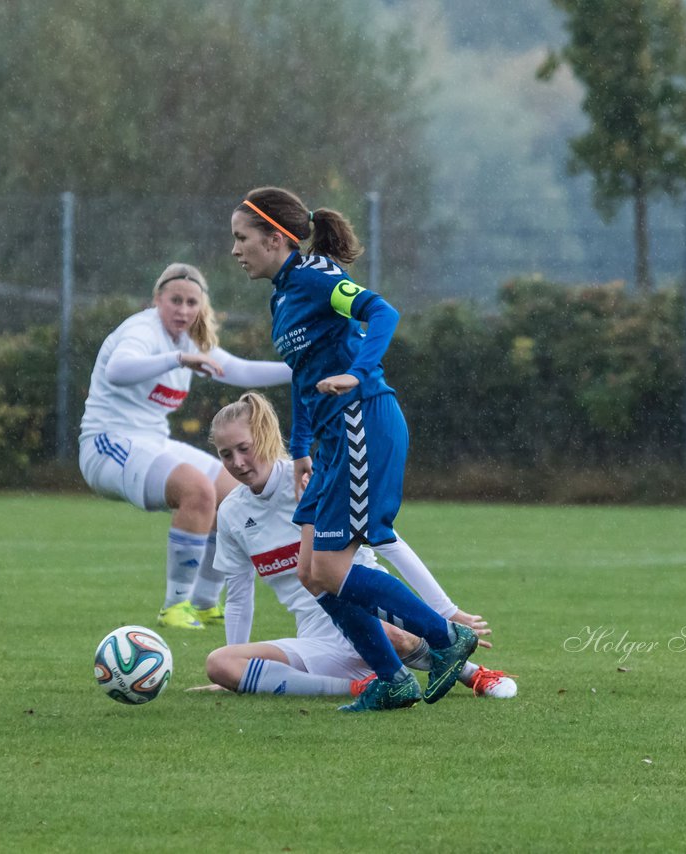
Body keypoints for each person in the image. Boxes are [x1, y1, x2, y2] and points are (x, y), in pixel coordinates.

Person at [230, 186, 480, 712]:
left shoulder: (316, 277)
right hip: (328, 440)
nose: (235, 250)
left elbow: (381, 311)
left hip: (362, 424)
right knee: (310, 571)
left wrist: (357, 373)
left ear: (274, 239)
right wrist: (299, 448)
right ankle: (392, 680)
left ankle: (443, 637)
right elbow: (303, 378)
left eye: (241, 238)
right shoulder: (282, 297)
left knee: (333, 570)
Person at [193, 392, 517, 700]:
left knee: (392, 634)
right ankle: (359, 687)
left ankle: (473, 674)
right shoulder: (232, 512)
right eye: (226, 454)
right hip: (317, 640)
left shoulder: (317, 482)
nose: (237, 462)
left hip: (376, 621)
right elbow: (238, 593)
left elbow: (388, 540)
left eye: (243, 448)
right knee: (220, 664)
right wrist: (236, 678)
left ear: (266, 437)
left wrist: (447, 611)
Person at [79, 262, 291, 630]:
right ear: (157, 299)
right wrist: (177, 359)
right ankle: (175, 607)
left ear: (202, 306)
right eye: (175, 300)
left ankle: (205, 602)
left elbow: (237, 370)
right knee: (197, 489)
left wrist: (302, 371)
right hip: (106, 443)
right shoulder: (142, 330)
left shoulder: (190, 339)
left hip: (152, 442)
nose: (183, 310)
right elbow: (118, 369)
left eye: (192, 302)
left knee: (235, 493)